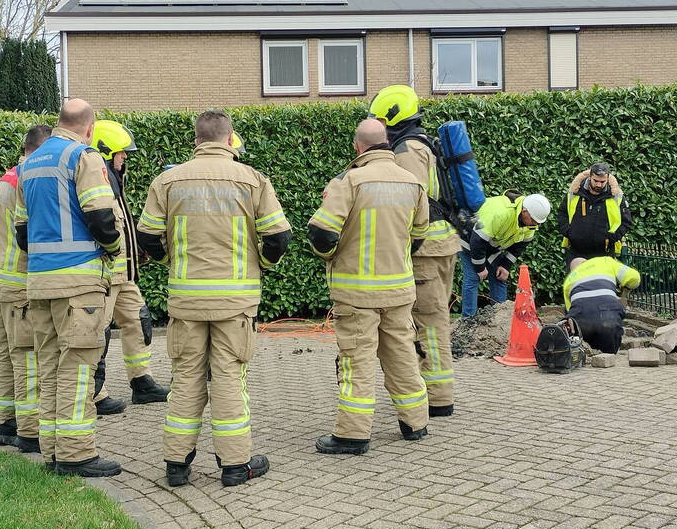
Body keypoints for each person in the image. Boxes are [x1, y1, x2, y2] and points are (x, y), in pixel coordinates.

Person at [137, 110, 291, 488]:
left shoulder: (168, 181)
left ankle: (176, 464)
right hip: (235, 302)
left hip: (186, 301)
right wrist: (263, 265)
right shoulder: (253, 180)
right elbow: (278, 238)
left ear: (195, 141)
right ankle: (236, 465)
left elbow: (146, 237)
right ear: (229, 139)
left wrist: (167, 260)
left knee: (186, 376)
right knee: (228, 379)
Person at [308, 119, 431, 456]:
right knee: (402, 355)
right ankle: (415, 423)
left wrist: (330, 257)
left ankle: (352, 434)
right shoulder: (412, 182)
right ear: (387, 143)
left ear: (357, 146)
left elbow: (321, 232)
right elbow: (419, 235)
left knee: (356, 361)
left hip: (357, 293)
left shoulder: (351, 181)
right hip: (399, 291)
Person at [14, 98, 124, 478]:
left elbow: (22, 234)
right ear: (89, 127)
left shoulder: (28, 164)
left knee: (49, 369)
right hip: (78, 284)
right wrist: (112, 251)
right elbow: (101, 216)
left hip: (39, 283)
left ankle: (52, 453)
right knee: (78, 370)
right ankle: (76, 454)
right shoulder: (84, 157)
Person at [368, 85, 460, 417]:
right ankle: (437, 392)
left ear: (392, 117)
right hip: (441, 244)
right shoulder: (423, 142)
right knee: (434, 320)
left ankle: (437, 397)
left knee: (428, 324)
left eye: (379, 119)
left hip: (426, 250)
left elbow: (409, 201)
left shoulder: (407, 149)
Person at [90, 120, 169, 409]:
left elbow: (121, 225)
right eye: (122, 153)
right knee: (98, 331)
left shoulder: (113, 180)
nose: (125, 159)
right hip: (106, 274)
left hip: (125, 275)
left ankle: (142, 382)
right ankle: (95, 393)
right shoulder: (96, 179)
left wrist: (137, 251)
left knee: (139, 320)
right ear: (105, 150)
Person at [0, 124, 51, 453]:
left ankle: (5, 422)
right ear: (42, 149)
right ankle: (29, 431)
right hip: (20, 284)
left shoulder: (8, 177)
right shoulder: (30, 178)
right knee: (27, 359)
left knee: (6, 356)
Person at [469, 191, 551, 299]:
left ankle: (500, 314)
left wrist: (505, 265)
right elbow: (477, 241)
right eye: (534, 220)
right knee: (473, 277)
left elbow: (519, 247)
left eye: (538, 222)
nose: (536, 224)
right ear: (524, 210)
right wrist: (480, 268)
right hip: (469, 237)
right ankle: (468, 316)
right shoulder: (502, 213)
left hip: (489, 245)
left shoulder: (530, 224)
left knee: (500, 276)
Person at [558, 162, 631, 270]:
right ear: (590, 176)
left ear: (608, 178)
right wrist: (569, 232)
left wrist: (611, 238)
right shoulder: (575, 192)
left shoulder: (616, 196)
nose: (598, 185)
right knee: (576, 285)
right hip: (576, 252)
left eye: (602, 182)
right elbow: (562, 213)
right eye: (595, 181)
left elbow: (626, 222)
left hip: (604, 253)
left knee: (602, 286)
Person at [563, 256, 640, 353]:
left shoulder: (569, 280)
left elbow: (569, 313)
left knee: (578, 332)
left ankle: (584, 353)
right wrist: (626, 289)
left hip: (581, 318)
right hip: (608, 313)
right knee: (610, 342)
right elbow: (634, 277)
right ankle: (609, 355)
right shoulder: (605, 261)